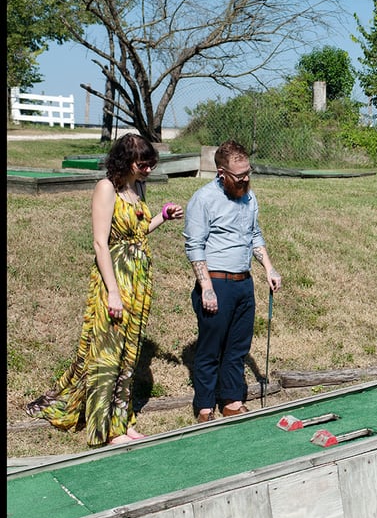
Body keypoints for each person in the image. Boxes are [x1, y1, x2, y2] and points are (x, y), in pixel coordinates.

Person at [25, 134, 184, 447]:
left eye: (151, 164)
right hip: (114, 280)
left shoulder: (138, 186)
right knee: (107, 354)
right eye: (143, 164)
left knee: (128, 355)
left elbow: (137, 232)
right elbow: (101, 242)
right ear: (126, 161)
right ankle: (104, 430)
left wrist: (161, 217)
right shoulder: (106, 188)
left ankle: (121, 421)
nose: (149, 170)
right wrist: (112, 291)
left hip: (139, 280)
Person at [183, 140, 282, 423]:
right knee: (211, 347)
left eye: (248, 172)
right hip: (216, 282)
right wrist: (206, 288)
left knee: (238, 346)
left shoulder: (248, 198)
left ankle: (232, 400)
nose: (246, 179)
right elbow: (194, 246)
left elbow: (254, 235)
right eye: (239, 175)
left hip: (243, 283)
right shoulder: (203, 199)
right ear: (221, 172)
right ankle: (204, 407)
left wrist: (269, 269)